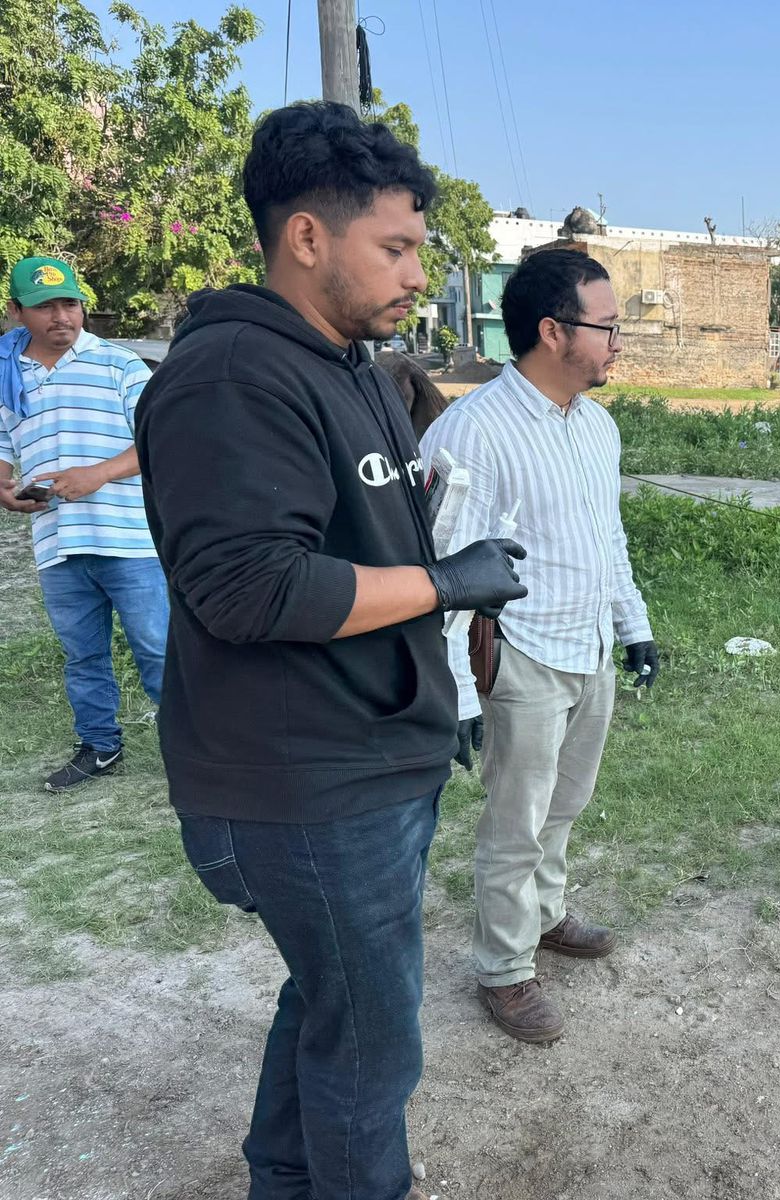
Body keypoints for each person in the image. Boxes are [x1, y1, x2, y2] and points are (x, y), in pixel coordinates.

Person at [134, 101, 526, 1200]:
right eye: (394, 248)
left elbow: (355, 539)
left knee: (333, 1001)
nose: (418, 275)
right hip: (303, 783)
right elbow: (249, 586)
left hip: (377, 752)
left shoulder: (351, 365)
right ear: (306, 237)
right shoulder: (229, 377)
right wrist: (446, 583)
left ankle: (284, 1179)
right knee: (372, 1042)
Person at [420, 247, 656, 1045]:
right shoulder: (473, 431)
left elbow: (607, 537)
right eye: (608, 326)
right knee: (515, 821)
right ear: (554, 331)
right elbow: (442, 570)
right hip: (521, 652)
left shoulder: (597, 426)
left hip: (587, 644)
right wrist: (457, 689)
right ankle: (503, 967)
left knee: (566, 802)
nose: (618, 342)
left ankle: (546, 914)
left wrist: (633, 624)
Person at [0, 256, 167, 791]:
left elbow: (160, 440)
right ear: (16, 311)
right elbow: (2, 452)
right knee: (82, 656)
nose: (61, 316)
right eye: (44, 306)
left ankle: (194, 750)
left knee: (158, 649)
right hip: (57, 543)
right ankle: (99, 746)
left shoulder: (121, 365)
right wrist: (6, 490)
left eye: (69, 303)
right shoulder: (7, 377)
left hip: (130, 539)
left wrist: (97, 474)